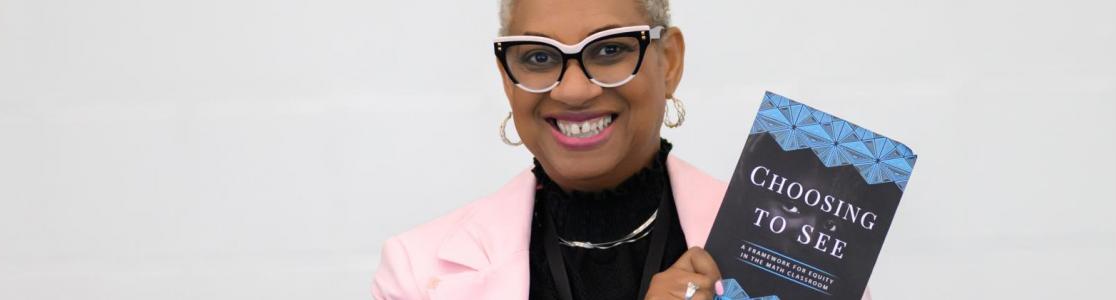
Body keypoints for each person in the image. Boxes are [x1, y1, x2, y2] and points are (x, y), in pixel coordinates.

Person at [372, 0, 870, 299]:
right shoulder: (418, 272)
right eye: (539, 58)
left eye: (610, 49)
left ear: (668, 61)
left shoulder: (799, 244)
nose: (572, 91)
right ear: (507, 77)